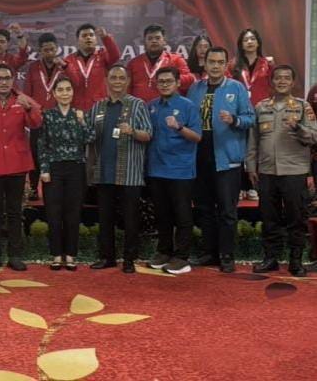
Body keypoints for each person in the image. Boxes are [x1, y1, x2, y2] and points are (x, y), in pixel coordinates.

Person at [186, 47, 254, 273]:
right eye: (211, 61)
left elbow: (250, 118)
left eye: (220, 62)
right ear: (204, 64)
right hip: (199, 157)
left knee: (227, 210)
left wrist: (234, 120)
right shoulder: (195, 88)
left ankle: (226, 255)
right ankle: (209, 252)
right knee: (204, 208)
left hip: (226, 158)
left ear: (226, 65)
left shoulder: (237, 87)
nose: (215, 66)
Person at [246, 65, 317, 277]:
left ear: (293, 82)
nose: (282, 81)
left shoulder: (302, 107)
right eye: (278, 78)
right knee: (269, 218)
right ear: (272, 81)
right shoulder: (261, 107)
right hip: (267, 170)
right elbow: (253, 141)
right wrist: (251, 166)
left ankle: (296, 261)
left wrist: (298, 128)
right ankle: (271, 259)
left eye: (286, 78)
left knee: (296, 218)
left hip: (294, 170)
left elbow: (314, 136)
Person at [0, 63, 43, 271]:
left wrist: (29, 107)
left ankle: (15, 255)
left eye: (7, 78)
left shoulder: (23, 101)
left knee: (14, 213)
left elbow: (36, 124)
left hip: (17, 165)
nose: (3, 82)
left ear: (13, 80)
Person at [86, 64, 152, 274]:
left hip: (129, 173)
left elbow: (148, 134)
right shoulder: (97, 107)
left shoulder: (138, 105)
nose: (117, 81)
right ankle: (107, 257)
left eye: (121, 78)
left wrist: (132, 131)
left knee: (130, 219)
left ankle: (130, 259)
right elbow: (88, 135)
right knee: (105, 218)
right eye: (113, 77)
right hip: (103, 172)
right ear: (106, 81)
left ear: (128, 81)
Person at [145, 67, 202, 275]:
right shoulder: (151, 106)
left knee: (182, 216)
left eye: (169, 81)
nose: (164, 85)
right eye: (161, 81)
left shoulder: (188, 106)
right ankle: (164, 252)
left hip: (181, 171)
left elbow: (197, 137)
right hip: (156, 169)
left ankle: (182, 257)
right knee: (162, 215)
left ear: (178, 83)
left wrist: (179, 127)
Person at [37, 77, 93, 271]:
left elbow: (90, 138)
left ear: (73, 92)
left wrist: (82, 122)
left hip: (76, 168)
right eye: (60, 90)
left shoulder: (80, 114)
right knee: (53, 213)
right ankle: (56, 255)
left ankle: (70, 255)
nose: (65, 93)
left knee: (73, 212)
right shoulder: (48, 115)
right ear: (54, 94)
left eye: (68, 89)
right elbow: (42, 144)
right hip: (54, 169)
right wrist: (44, 169)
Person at [230, 28, 274, 202]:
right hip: (240, 112)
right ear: (241, 44)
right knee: (241, 149)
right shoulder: (233, 64)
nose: (249, 42)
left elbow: (274, 86)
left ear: (258, 43)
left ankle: (255, 185)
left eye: (252, 39)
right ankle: (242, 185)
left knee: (258, 148)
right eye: (246, 39)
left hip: (262, 110)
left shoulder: (267, 63)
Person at [23, 33, 68, 201]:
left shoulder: (64, 67)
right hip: (37, 119)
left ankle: (54, 188)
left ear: (57, 49)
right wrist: (34, 112)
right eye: (46, 50)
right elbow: (27, 93)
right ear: (40, 51)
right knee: (35, 155)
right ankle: (33, 188)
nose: (49, 53)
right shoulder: (33, 68)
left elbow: (72, 89)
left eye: (52, 49)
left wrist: (65, 67)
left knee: (56, 155)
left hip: (58, 119)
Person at [127, 24, 194, 103]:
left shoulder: (176, 60)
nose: (154, 41)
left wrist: (170, 79)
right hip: (139, 108)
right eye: (150, 38)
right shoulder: (133, 63)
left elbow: (190, 79)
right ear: (144, 42)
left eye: (157, 38)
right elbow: (127, 88)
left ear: (164, 41)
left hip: (168, 107)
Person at [64, 23, 121, 111]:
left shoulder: (102, 56)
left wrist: (105, 37)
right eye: (84, 36)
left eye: (91, 35)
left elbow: (115, 56)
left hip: (99, 107)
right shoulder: (69, 60)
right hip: (76, 109)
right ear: (78, 40)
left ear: (96, 39)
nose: (88, 38)